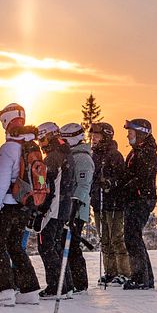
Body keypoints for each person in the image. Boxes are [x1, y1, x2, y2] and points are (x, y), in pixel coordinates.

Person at [0, 103, 41, 307]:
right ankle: (29, 289)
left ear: (7, 121)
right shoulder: (31, 145)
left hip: (8, 205)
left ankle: (6, 290)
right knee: (16, 246)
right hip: (25, 204)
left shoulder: (8, 147)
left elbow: (4, 183)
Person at [35, 122, 76, 299]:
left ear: (49, 136)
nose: (40, 143)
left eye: (42, 139)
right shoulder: (66, 154)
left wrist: (41, 210)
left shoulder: (52, 157)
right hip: (64, 207)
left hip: (53, 208)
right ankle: (65, 285)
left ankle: (56, 287)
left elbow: (47, 186)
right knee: (56, 247)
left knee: (46, 247)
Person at [89, 122, 130, 286]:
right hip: (98, 203)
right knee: (104, 238)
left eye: (97, 136)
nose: (93, 139)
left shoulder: (115, 155)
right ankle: (110, 271)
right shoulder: (94, 156)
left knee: (116, 238)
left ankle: (124, 272)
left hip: (113, 203)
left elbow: (121, 178)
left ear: (106, 137)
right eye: (92, 136)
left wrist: (110, 183)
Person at [121, 119, 157, 290]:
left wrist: (126, 187)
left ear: (141, 133)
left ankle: (140, 278)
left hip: (141, 199)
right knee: (133, 237)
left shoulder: (147, 153)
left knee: (132, 237)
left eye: (131, 132)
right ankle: (144, 277)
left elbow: (143, 178)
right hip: (136, 199)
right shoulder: (138, 151)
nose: (128, 135)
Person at [60, 123, 95, 292]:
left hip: (76, 210)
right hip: (69, 207)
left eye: (64, 139)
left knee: (72, 244)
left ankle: (80, 283)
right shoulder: (72, 155)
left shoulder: (82, 158)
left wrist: (74, 206)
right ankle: (73, 280)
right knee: (68, 242)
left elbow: (83, 185)